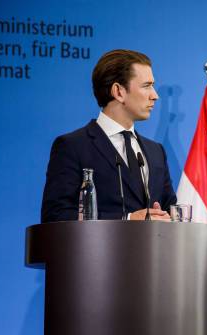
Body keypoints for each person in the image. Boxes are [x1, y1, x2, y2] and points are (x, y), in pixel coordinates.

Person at [41, 49, 176, 222]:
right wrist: (127, 220)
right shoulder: (73, 147)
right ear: (118, 91)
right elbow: (57, 216)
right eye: (146, 86)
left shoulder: (156, 151)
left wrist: (166, 217)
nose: (155, 95)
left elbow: (171, 211)